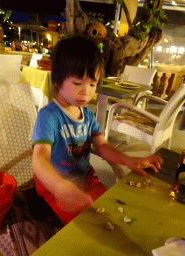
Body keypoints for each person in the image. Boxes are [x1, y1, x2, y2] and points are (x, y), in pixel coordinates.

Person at [32, 35, 162, 226]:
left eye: (92, 84)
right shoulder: (49, 116)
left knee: (114, 214)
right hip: (54, 185)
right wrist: (59, 187)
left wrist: (128, 160)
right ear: (58, 80)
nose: (86, 91)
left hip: (86, 180)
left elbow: (102, 146)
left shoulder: (88, 115)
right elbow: (39, 157)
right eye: (78, 83)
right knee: (88, 226)